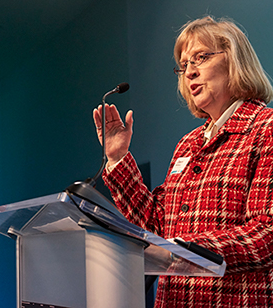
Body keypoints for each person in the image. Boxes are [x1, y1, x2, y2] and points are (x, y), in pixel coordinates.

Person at [93, 16, 273, 307]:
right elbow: (156, 226)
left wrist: (187, 251)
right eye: (184, 64)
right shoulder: (188, 144)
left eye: (200, 58)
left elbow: (266, 235)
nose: (189, 72)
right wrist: (118, 158)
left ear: (235, 60)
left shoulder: (265, 129)